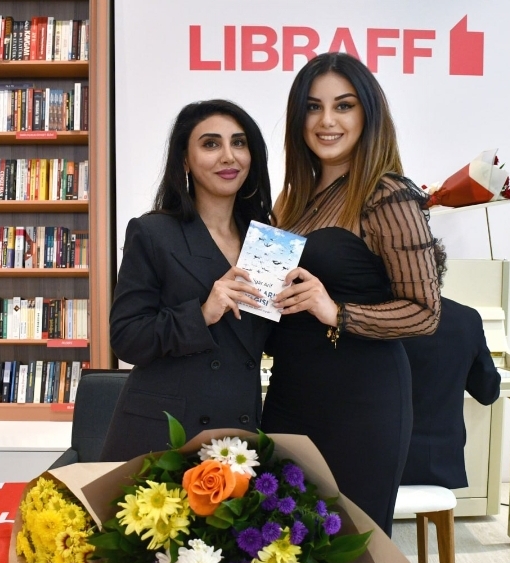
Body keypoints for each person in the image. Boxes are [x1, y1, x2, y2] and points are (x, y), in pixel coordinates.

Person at [261, 52, 441, 536]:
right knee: (281, 545)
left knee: (347, 550)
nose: (327, 121)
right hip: (290, 392)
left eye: (343, 105)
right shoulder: (292, 199)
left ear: (368, 114)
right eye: (313, 107)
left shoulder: (388, 195)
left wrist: (336, 311)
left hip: (360, 403)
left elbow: (425, 313)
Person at [100, 99, 273, 461]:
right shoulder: (153, 232)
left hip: (238, 433)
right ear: (185, 160)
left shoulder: (265, 241)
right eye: (211, 144)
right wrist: (202, 313)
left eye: (239, 143)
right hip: (165, 435)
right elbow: (126, 338)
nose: (229, 156)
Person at [400, 249, 501, 488]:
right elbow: (488, 392)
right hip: (442, 461)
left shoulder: (377, 322)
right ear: (437, 271)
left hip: (387, 463)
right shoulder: (467, 319)